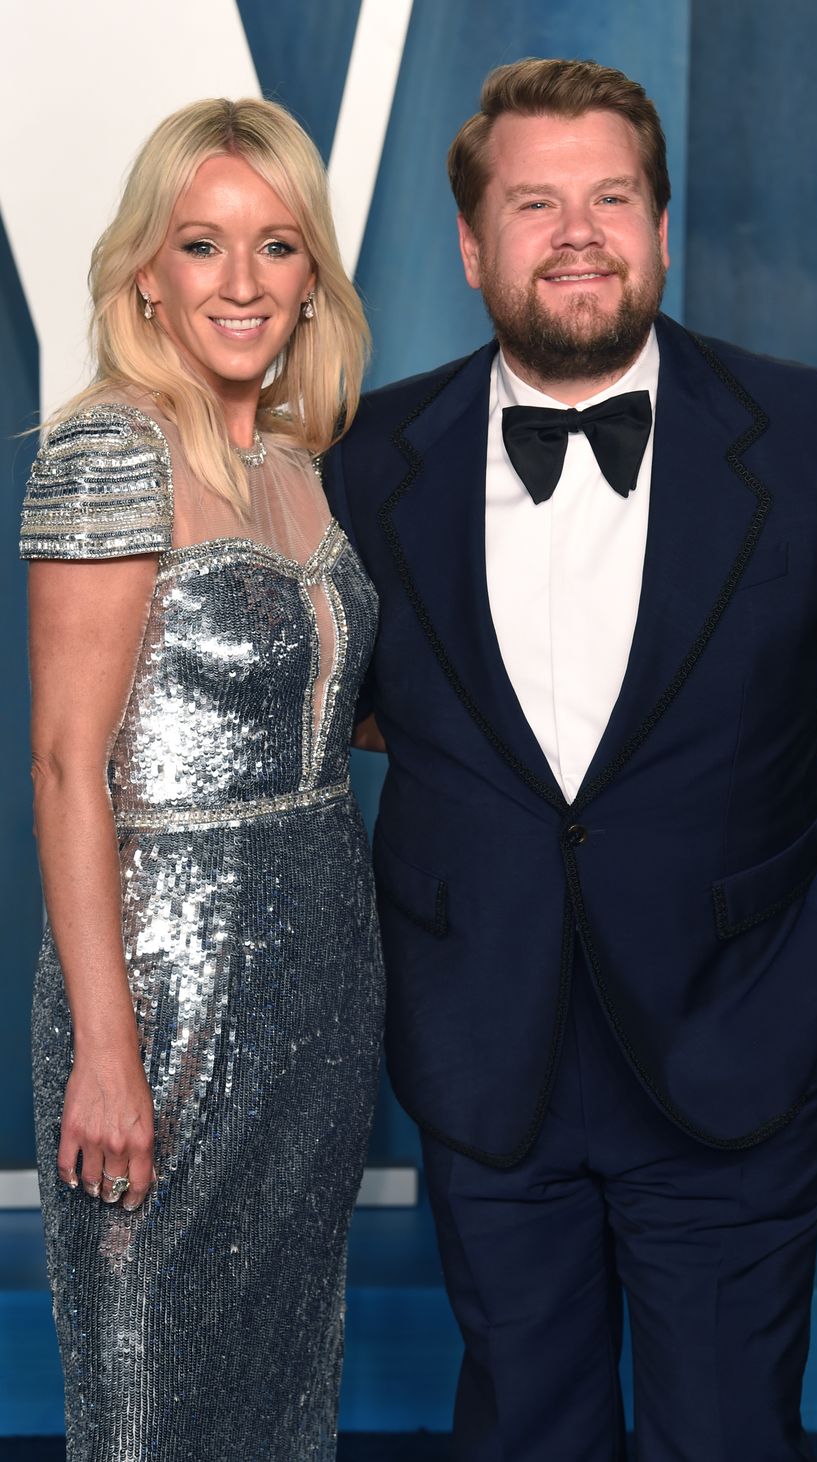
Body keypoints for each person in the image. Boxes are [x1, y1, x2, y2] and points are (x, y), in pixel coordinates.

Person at [325, 58, 817, 1461]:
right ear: (470, 240)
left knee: (728, 1434)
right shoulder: (372, 456)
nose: (576, 233)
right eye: (535, 201)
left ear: (662, 226)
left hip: (742, 1031)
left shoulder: (806, 437)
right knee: (523, 1432)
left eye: (611, 197)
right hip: (484, 1041)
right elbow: (347, 702)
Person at [21, 97, 383, 1461]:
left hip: (322, 979)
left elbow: (320, 703)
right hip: (167, 982)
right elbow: (66, 762)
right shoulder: (110, 452)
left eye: (277, 246)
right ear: (146, 277)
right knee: (151, 1383)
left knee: (286, 1368)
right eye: (203, 245)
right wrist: (107, 1054)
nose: (243, 282)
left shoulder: (291, 466)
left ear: (310, 278)